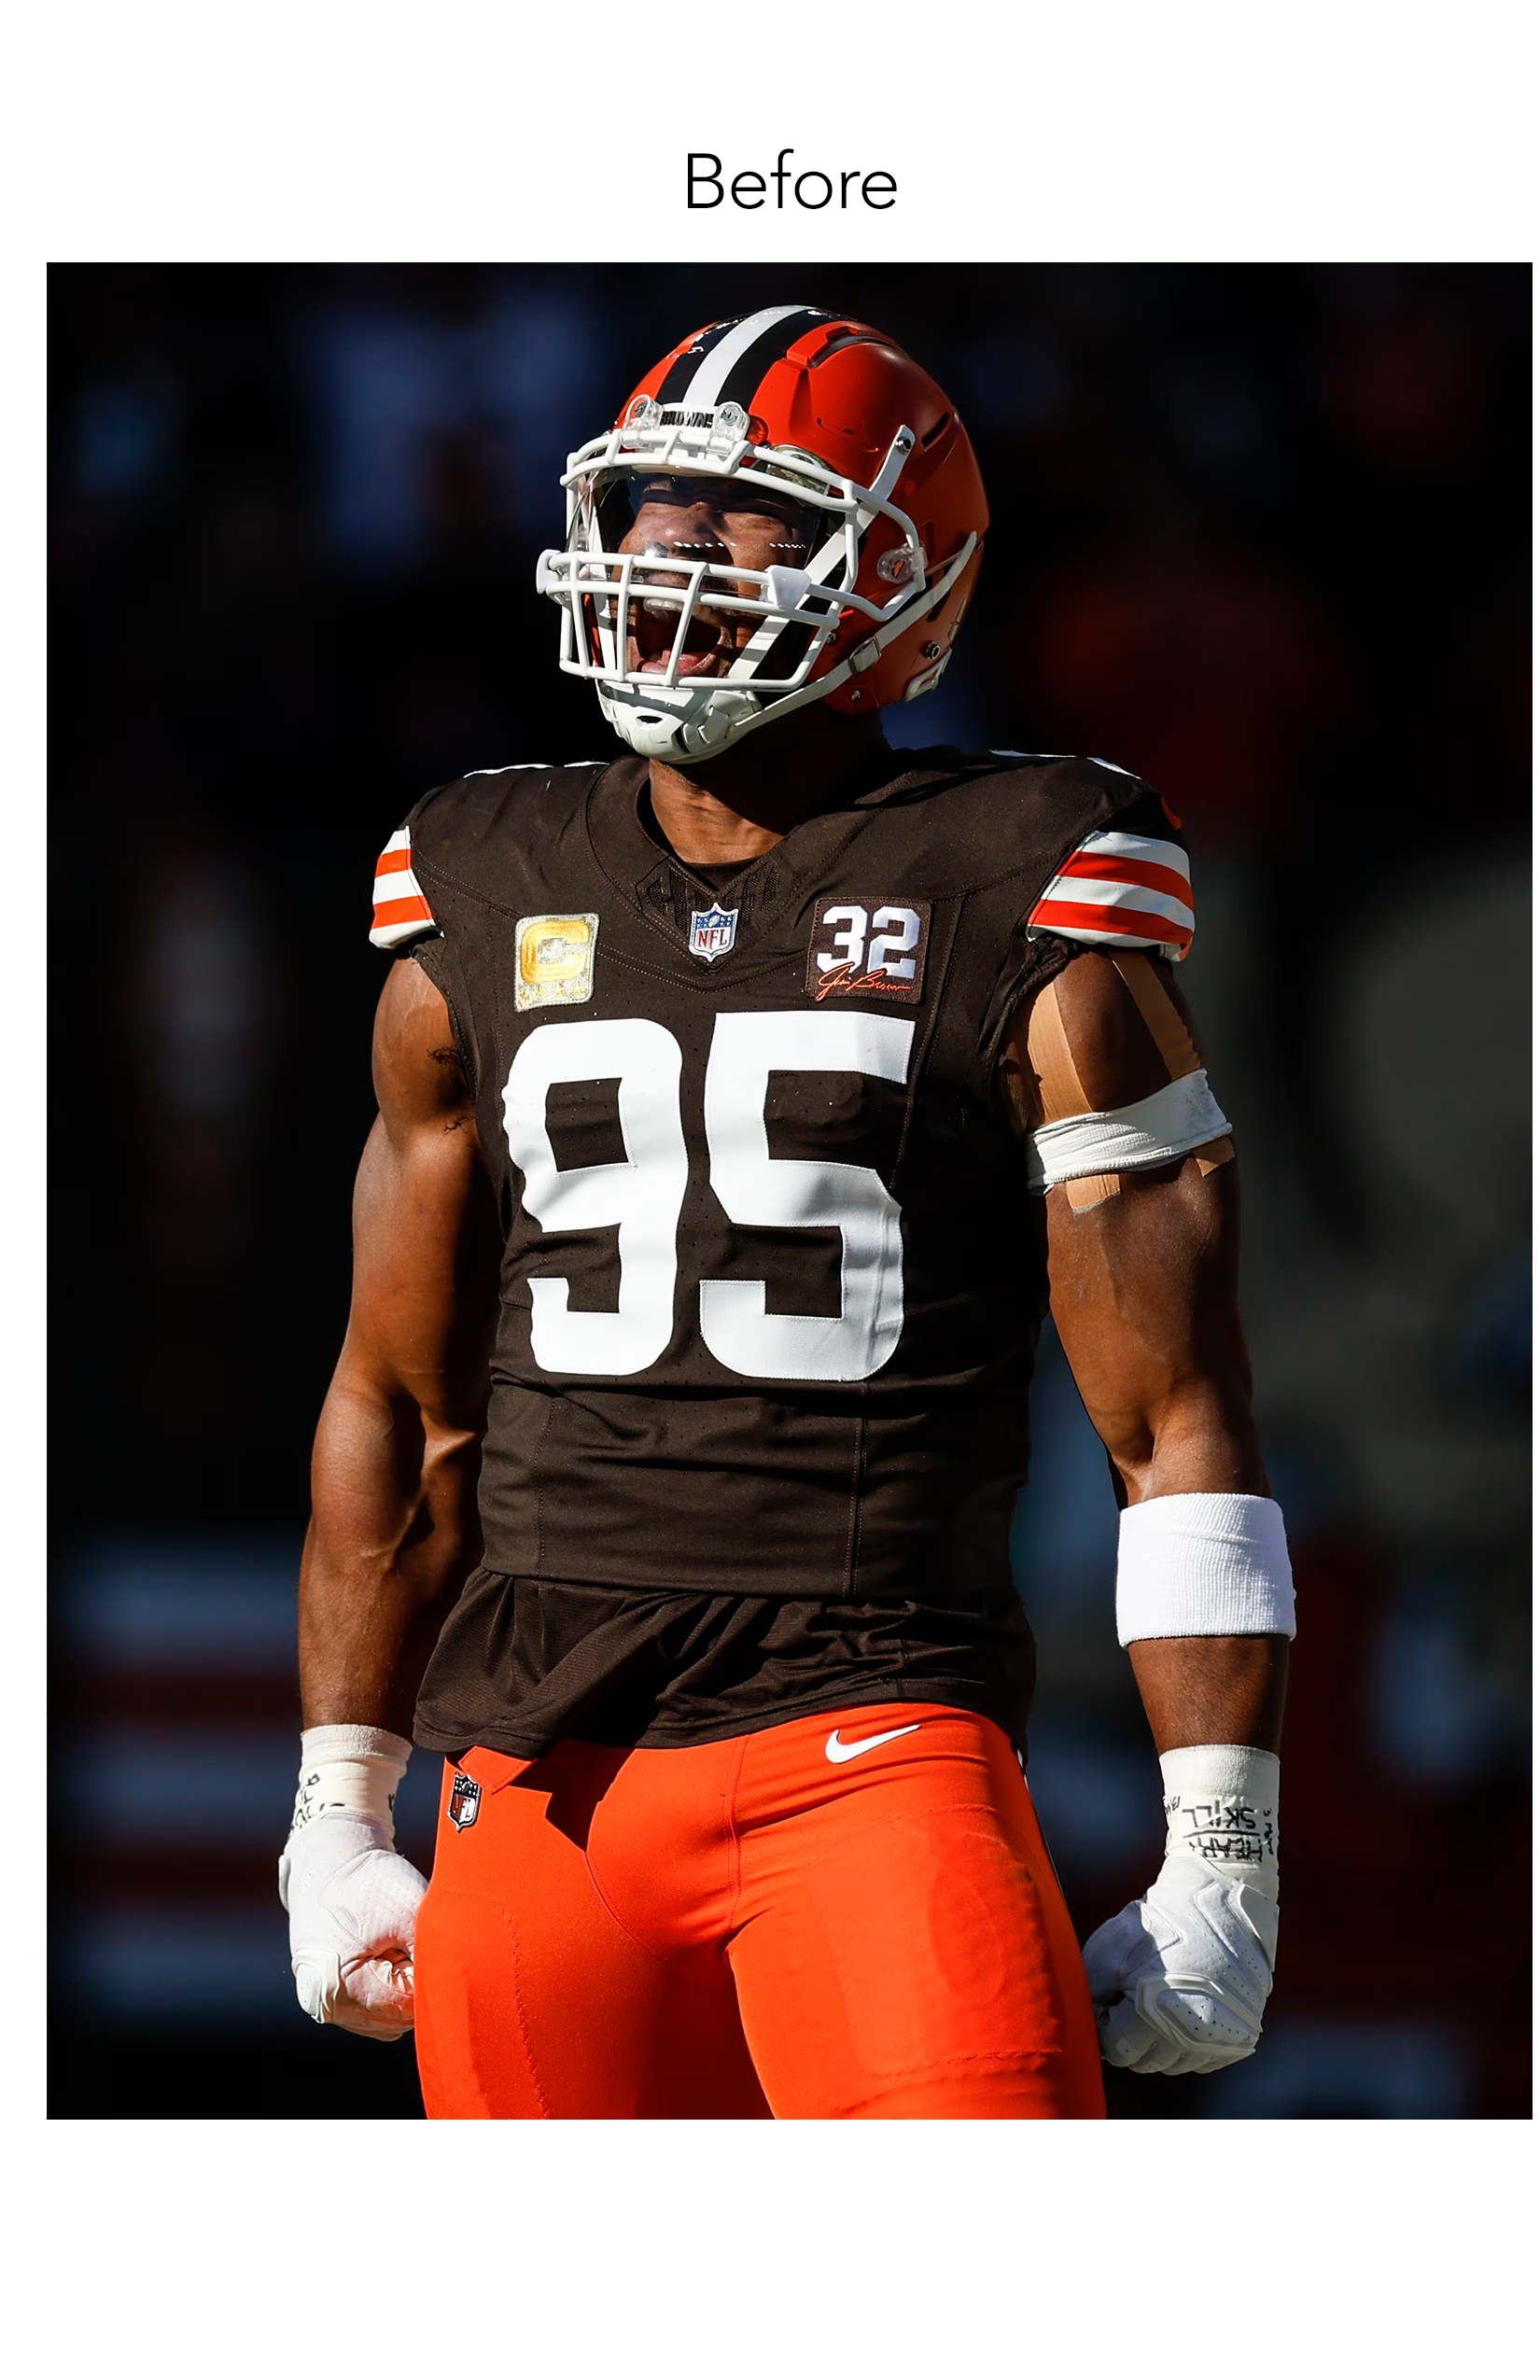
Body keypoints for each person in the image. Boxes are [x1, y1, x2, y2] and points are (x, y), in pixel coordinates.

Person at [279, 305, 1293, 2119]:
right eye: (653, 499)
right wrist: (334, 1800)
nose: (676, 542)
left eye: (752, 508)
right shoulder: (480, 877)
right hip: (537, 1786)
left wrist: (1221, 1839)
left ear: (904, 579)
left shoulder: (1023, 875)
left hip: (878, 1748)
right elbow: (401, 1398)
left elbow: (1171, 1415)